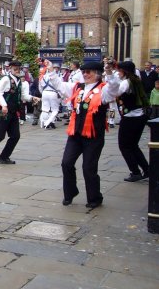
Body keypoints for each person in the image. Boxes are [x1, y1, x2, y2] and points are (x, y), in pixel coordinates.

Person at [41, 59, 120, 208]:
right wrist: (51, 70)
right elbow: (59, 85)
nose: (85, 74)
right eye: (83, 72)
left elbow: (114, 89)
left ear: (97, 74)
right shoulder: (77, 87)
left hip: (94, 136)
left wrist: (109, 73)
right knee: (66, 163)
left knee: (89, 168)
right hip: (75, 134)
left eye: (88, 72)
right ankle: (70, 192)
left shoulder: (103, 90)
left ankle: (95, 198)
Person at [0, 60, 40, 166]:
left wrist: (33, 98)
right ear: (10, 68)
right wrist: (4, 105)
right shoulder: (6, 79)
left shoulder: (20, 81)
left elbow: (23, 96)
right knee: (0, 135)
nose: (17, 71)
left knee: (15, 136)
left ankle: (4, 157)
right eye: (15, 69)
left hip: (14, 111)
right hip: (5, 111)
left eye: (18, 69)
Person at [115, 61, 150, 182]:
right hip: (140, 116)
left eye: (119, 70)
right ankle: (147, 170)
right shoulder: (136, 79)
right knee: (133, 145)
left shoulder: (125, 83)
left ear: (124, 71)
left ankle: (135, 172)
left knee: (124, 146)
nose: (118, 73)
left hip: (130, 117)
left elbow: (115, 93)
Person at [39, 65, 62, 129]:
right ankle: (52, 122)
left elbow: (40, 87)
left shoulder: (42, 77)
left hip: (45, 93)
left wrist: (43, 93)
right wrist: (60, 96)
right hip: (53, 93)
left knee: (45, 109)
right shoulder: (56, 77)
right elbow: (60, 86)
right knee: (54, 109)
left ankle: (45, 122)